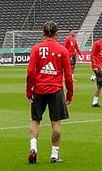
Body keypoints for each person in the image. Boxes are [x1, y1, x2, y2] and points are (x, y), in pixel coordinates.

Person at [26, 21, 74, 165]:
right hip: (55, 90)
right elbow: (68, 75)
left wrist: (29, 90)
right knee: (56, 124)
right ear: (57, 33)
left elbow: (30, 71)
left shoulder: (36, 48)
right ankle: (54, 155)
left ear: (43, 33)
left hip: (39, 90)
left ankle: (33, 147)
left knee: (35, 120)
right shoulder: (62, 50)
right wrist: (70, 93)